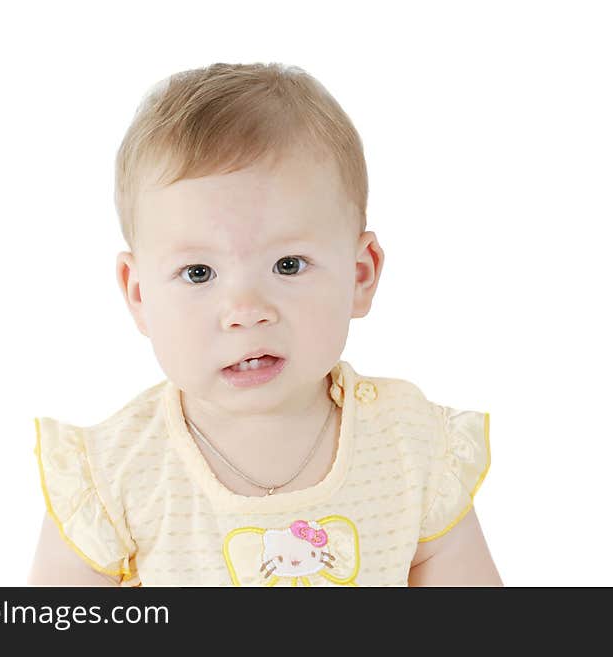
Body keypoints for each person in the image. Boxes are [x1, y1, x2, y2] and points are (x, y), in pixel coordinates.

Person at [27, 62, 502, 587]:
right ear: (139, 294)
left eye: (288, 265)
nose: (246, 310)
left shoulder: (411, 450)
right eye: (199, 273)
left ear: (360, 274)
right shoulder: (114, 477)